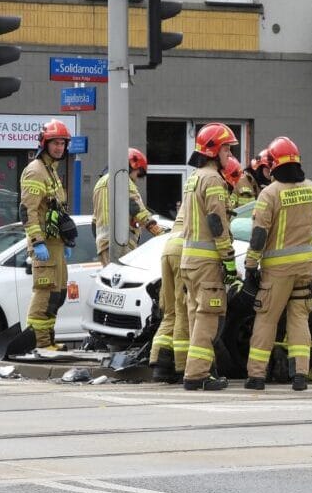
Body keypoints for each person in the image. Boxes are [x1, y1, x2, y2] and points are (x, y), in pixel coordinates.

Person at [243, 137, 312, 391]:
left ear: (273, 164)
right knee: (299, 318)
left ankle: (256, 376)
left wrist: (251, 265)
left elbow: (259, 234)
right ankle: (300, 374)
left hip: (277, 270)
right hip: (305, 267)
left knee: (266, 319)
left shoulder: (270, 193)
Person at [179, 122, 238, 391]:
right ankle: (197, 374)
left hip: (189, 262)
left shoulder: (195, 178)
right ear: (214, 150)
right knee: (209, 318)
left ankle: (202, 371)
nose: (229, 154)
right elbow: (216, 222)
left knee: (196, 317)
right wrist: (228, 258)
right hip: (207, 263)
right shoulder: (213, 179)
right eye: (226, 148)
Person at [21, 119, 77, 351]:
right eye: (55, 143)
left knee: (58, 294)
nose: (59, 148)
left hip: (56, 244)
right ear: (44, 144)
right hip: (44, 244)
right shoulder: (35, 171)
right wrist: (37, 242)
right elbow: (28, 211)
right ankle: (39, 342)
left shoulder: (51, 170)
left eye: (63, 143)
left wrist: (66, 240)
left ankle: (49, 340)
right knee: (45, 295)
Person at [92, 148, 164, 265]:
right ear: (132, 165)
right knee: (126, 281)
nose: (136, 178)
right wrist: (159, 232)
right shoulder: (121, 179)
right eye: (138, 173)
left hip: (103, 245)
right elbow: (137, 209)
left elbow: (94, 222)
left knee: (112, 281)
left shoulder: (100, 184)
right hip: (122, 243)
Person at [148, 200, 188, 383]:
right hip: (185, 250)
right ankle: (183, 366)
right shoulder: (214, 188)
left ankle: (159, 365)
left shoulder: (191, 192)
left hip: (169, 247)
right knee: (183, 311)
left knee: (170, 311)